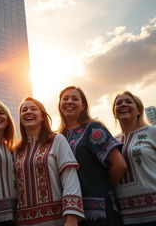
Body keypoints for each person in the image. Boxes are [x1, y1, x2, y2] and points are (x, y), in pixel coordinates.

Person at [58, 86, 127, 226]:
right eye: (65, 98)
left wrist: (103, 187)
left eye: (75, 98)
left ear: (83, 105)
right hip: (71, 212)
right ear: (59, 104)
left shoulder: (93, 128)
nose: (69, 101)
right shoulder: (59, 136)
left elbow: (119, 165)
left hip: (99, 212)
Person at [15, 97, 84, 226]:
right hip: (23, 221)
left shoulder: (57, 139)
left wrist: (72, 217)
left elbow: (70, 177)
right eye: (24, 110)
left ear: (42, 117)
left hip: (56, 220)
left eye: (33, 109)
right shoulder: (17, 150)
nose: (28, 111)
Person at [112, 91, 156, 225]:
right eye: (119, 103)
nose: (123, 104)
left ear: (139, 110)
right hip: (126, 217)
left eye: (128, 101)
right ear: (114, 112)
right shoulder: (112, 141)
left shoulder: (152, 132)